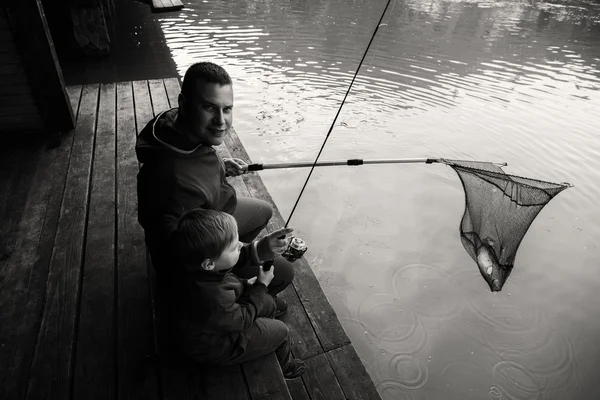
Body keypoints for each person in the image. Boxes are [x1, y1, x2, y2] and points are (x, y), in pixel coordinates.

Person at [135, 61, 294, 313]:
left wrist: (220, 165)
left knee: (262, 210)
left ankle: (233, 260)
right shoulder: (175, 185)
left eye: (227, 109)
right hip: (192, 262)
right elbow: (188, 257)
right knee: (284, 272)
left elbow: (194, 161)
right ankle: (241, 298)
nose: (221, 121)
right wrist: (254, 250)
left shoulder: (174, 126)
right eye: (209, 107)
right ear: (184, 103)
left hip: (212, 216)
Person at [165, 208, 306, 379]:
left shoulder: (200, 271)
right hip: (217, 345)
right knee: (282, 332)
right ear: (209, 263)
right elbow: (241, 320)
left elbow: (229, 287)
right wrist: (261, 285)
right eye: (233, 247)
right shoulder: (212, 296)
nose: (241, 245)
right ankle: (286, 368)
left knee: (268, 303)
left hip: (221, 321)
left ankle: (265, 334)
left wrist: (248, 285)